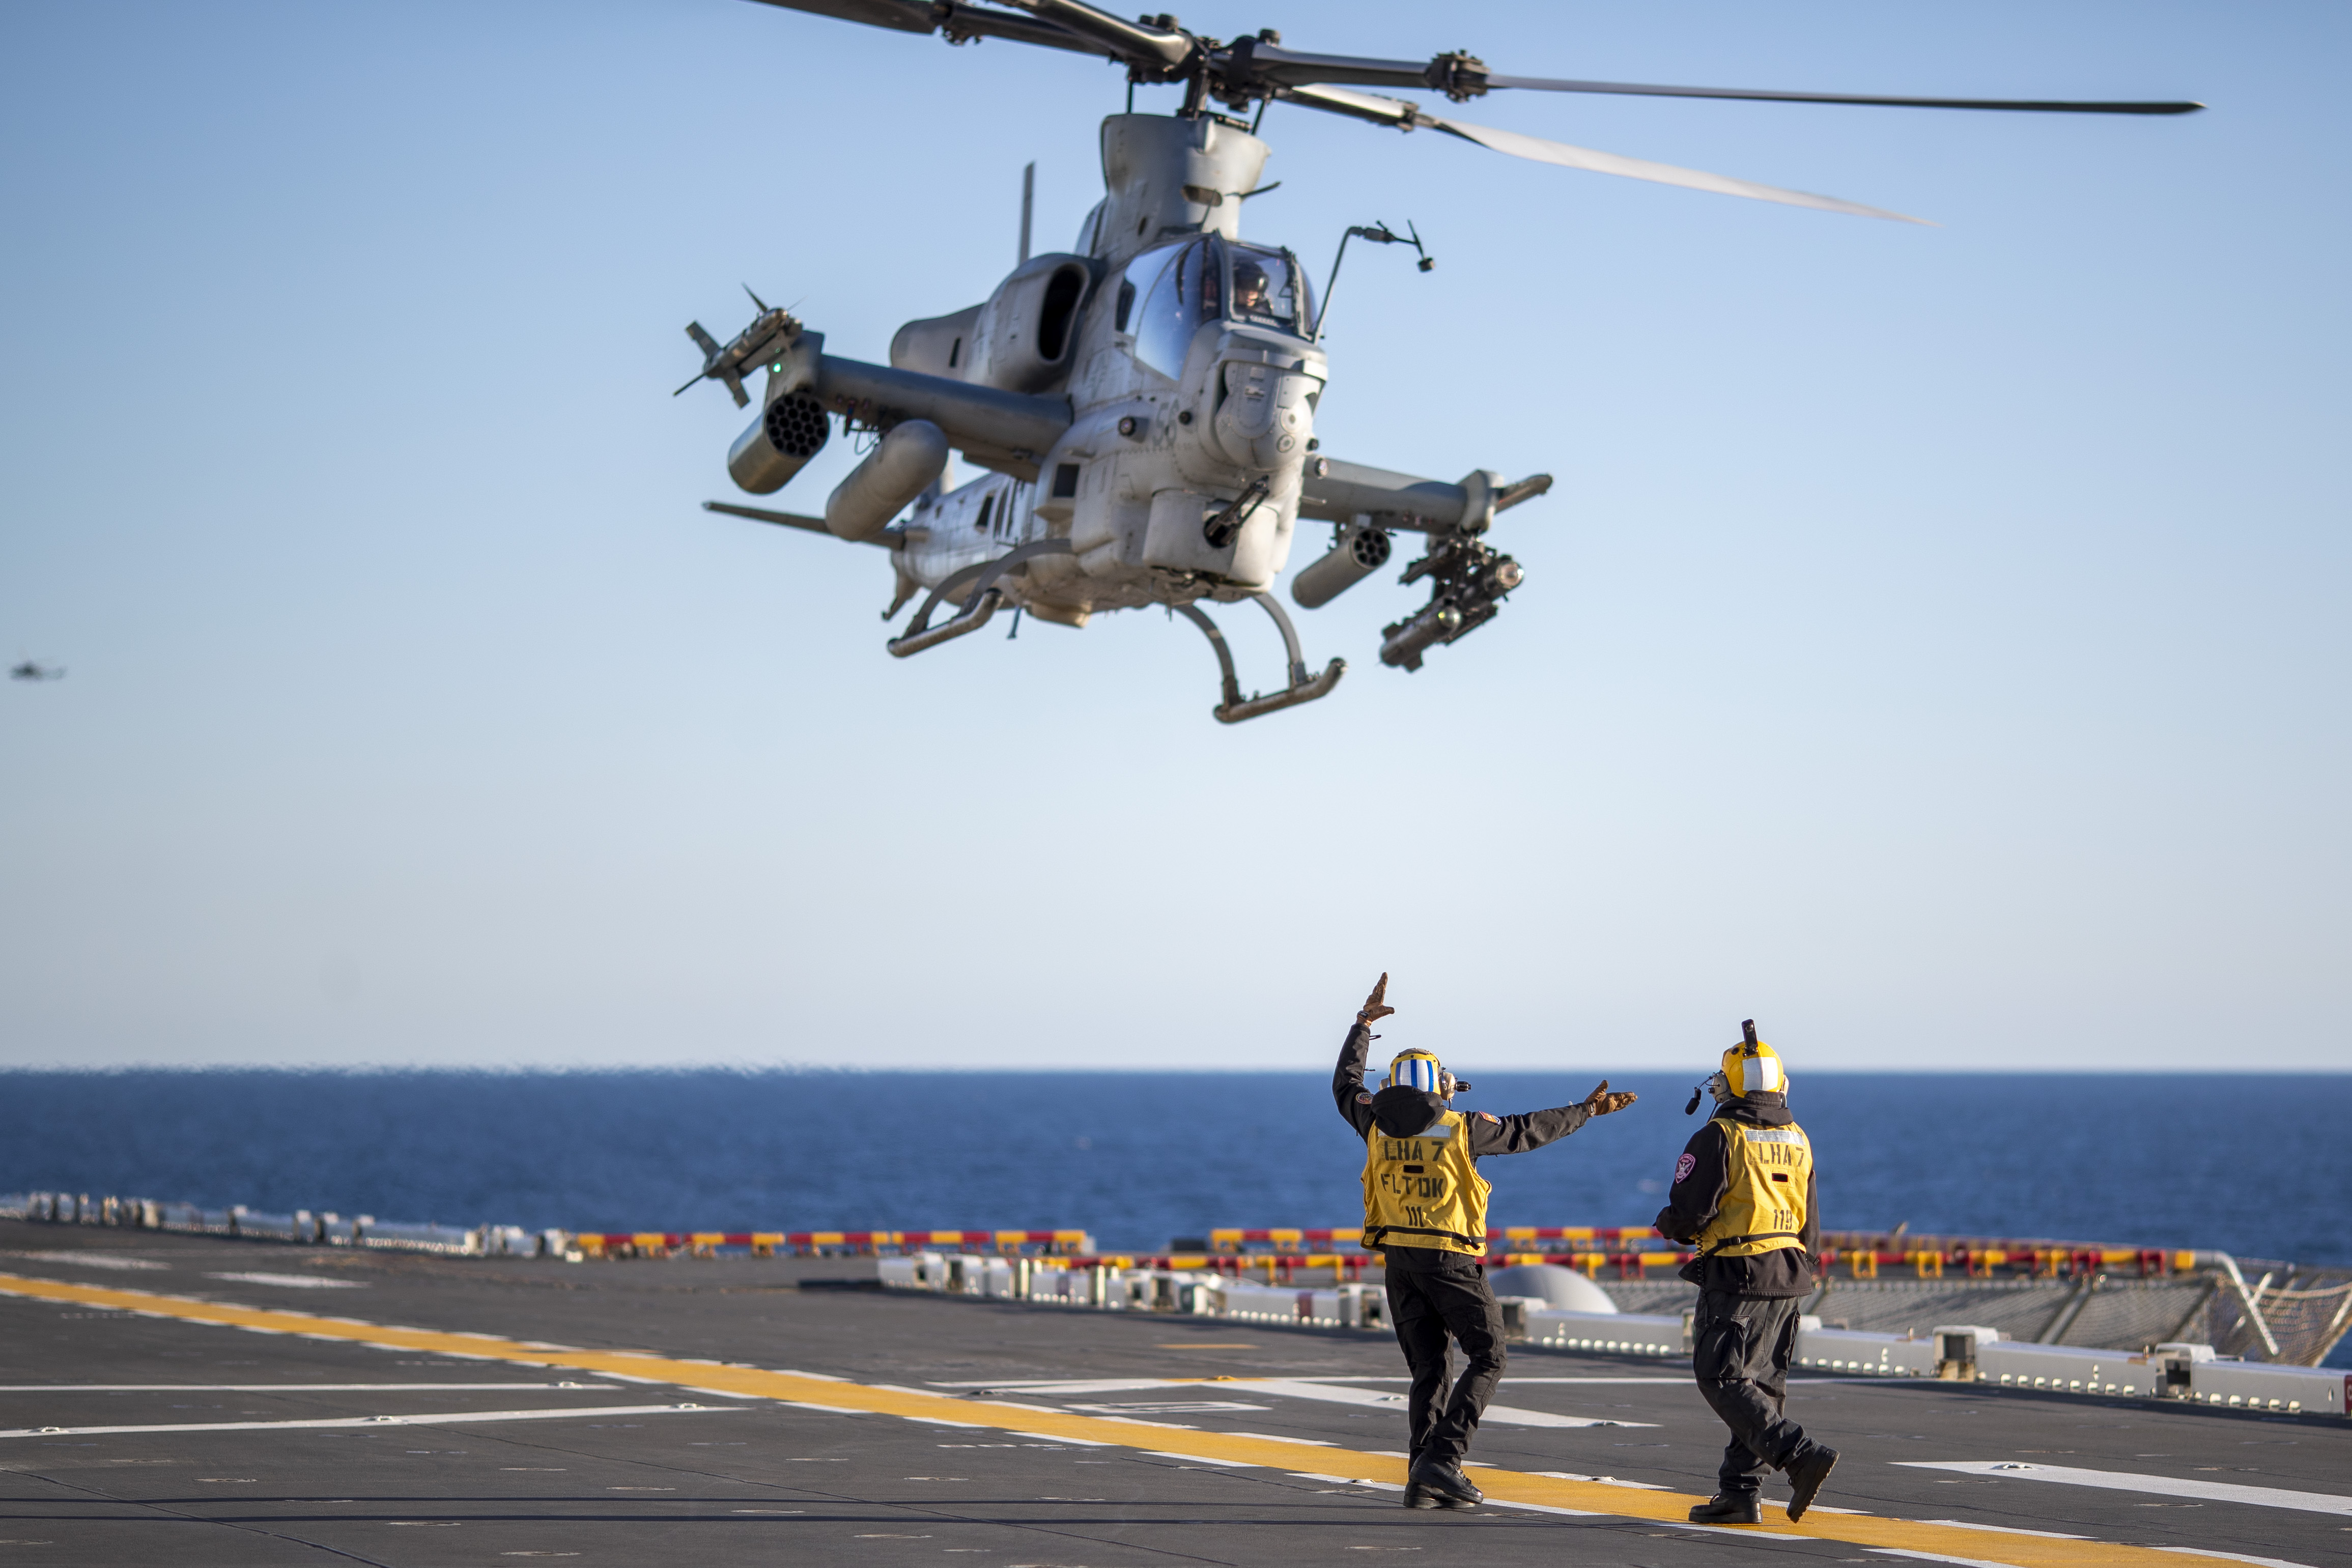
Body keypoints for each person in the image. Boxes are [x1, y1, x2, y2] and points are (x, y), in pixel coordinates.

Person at [1334, 973, 1636, 1510]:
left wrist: (1361, 1026)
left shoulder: (1372, 1122)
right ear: (1439, 1086)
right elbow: (1529, 1129)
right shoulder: (1462, 1127)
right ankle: (1443, 1459)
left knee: (1429, 1369)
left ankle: (1421, 1480)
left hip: (1400, 1262)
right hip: (1451, 1260)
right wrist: (1587, 1111)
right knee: (1489, 1356)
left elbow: (1344, 1084)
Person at [1652, 1021, 1839, 1524]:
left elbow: (1691, 1211)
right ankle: (1740, 1493)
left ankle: (1797, 1453)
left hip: (1736, 1274)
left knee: (1719, 1375)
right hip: (1790, 1273)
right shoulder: (1797, 1138)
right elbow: (1810, 1217)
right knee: (1760, 1385)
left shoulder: (1719, 1134)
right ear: (1779, 1086)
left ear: (1727, 1086)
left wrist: (1668, 1225)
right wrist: (1806, 1270)